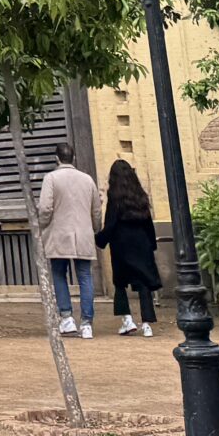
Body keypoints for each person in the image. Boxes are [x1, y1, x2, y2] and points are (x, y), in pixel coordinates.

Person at [35, 140, 103, 339]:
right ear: (73, 157)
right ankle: (87, 323)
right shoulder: (87, 179)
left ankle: (67, 318)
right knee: (85, 276)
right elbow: (96, 209)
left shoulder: (51, 178)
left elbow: (45, 208)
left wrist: (42, 225)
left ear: (56, 158)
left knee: (59, 274)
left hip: (59, 233)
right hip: (83, 234)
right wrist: (95, 228)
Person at [97, 157, 161, 338]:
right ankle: (147, 324)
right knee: (143, 283)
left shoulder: (114, 197)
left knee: (120, 283)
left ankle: (127, 320)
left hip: (121, 244)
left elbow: (110, 223)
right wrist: (152, 244)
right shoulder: (140, 195)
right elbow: (148, 223)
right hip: (142, 243)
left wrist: (100, 239)